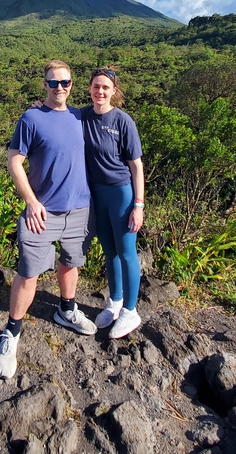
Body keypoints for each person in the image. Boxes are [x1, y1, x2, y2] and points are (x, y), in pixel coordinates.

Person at [0, 60, 97, 380]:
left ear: (72, 84)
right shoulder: (31, 117)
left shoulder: (81, 116)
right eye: (53, 83)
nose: (59, 88)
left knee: (71, 262)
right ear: (44, 85)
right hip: (42, 212)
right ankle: (11, 333)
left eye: (64, 83)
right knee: (28, 273)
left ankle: (67, 310)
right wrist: (31, 201)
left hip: (80, 208)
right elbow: (14, 160)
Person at [82, 68, 145, 339]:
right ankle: (115, 302)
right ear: (89, 88)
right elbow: (56, 112)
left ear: (113, 91)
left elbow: (136, 166)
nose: (100, 91)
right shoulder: (81, 115)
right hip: (96, 194)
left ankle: (131, 311)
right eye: (96, 86)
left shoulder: (122, 121)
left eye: (106, 87)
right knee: (109, 252)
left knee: (127, 252)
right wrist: (40, 105)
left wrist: (138, 205)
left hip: (120, 193)